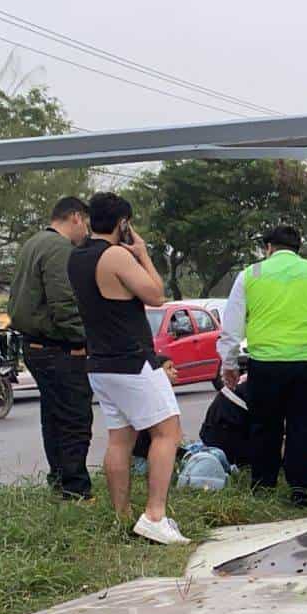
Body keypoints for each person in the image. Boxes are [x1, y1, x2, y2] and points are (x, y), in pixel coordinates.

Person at [66, 192, 188, 545]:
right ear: (123, 224)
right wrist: (145, 255)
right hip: (132, 360)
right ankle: (154, 515)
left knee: (120, 437)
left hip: (100, 363)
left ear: (89, 220)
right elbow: (156, 295)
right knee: (168, 432)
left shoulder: (78, 258)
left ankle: (122, 516)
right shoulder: (117, 254)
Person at [219, 224, 307, 506]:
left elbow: (232, 325)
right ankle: (302, 489)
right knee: (305, 426)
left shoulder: (250, 274)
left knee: (265, 426)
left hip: (266, 364)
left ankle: (263, 487)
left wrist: (229, 364)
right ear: (298, 249)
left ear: (268, 248)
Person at [9, 196, 95, 500]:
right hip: (58, 347)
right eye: (85, 222)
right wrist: (84, 340)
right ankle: (76, 489)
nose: (86, 231)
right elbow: (64, 302)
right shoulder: (59, 248)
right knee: (75, 418)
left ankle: (59, 480)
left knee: (54, 416)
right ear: (74, 217)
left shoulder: (33, 243)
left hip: (34, 345)